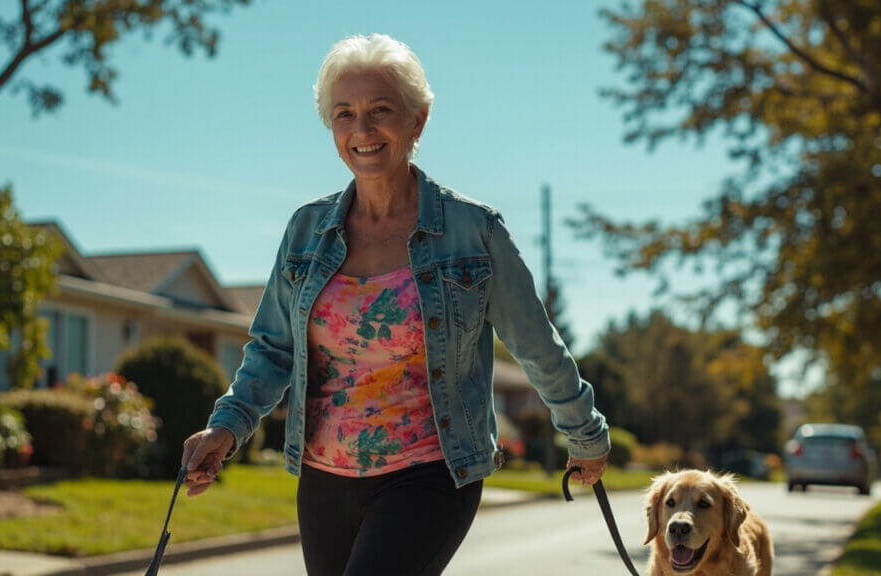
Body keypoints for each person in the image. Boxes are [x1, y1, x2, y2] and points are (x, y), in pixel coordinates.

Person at [181, 33, 611, 575]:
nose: (362, 130)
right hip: (323, 479)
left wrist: (583, 432)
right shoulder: (306, 232)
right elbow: (272, 349)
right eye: (345, 114)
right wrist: (227, 427)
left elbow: (535, 345)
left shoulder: (471, 231)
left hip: (430, 472)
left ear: (418, 120)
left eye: (380, 110)